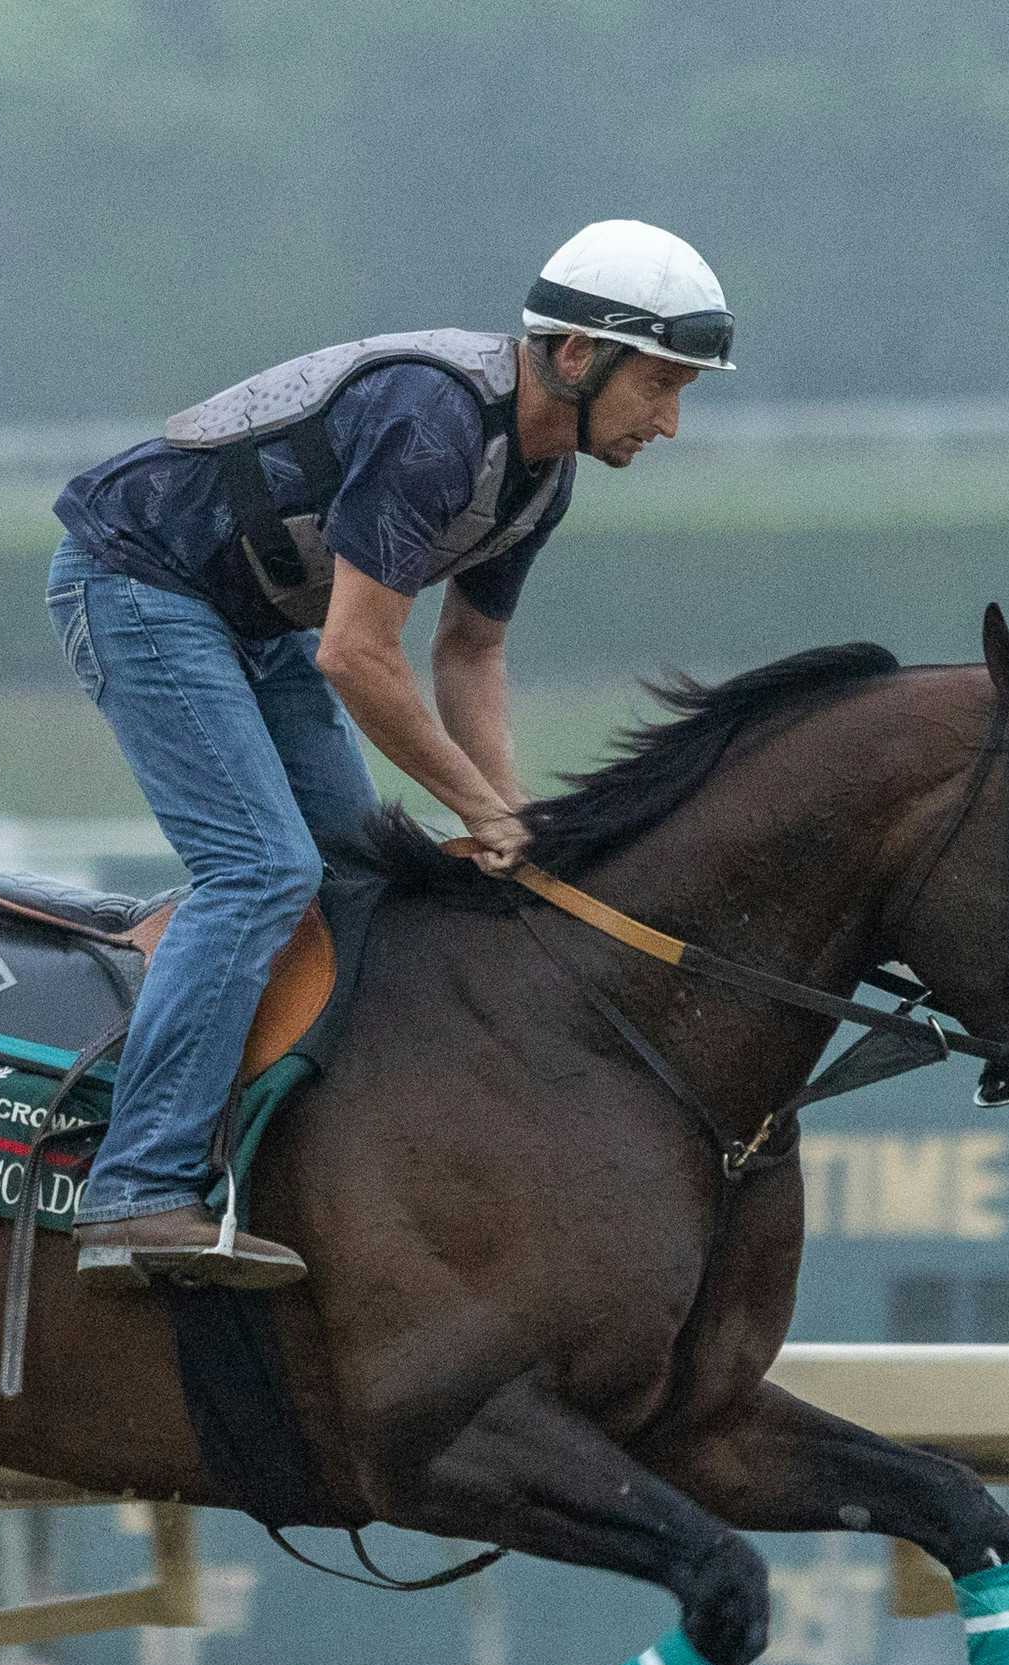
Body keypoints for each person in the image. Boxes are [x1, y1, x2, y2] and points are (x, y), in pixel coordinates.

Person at [45, 219, 735, 1289]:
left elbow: (470, 652)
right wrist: (478, 809)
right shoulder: (436, 423)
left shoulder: (540, 478)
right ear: (574, 355)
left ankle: (280, 1144)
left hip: (256, 619)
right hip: (141, 585)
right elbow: (360, 656)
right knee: (262, 869)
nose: (672, 422)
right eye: (660, 385)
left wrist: (517, 817)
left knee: (358, 872)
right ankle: (135, 1191)